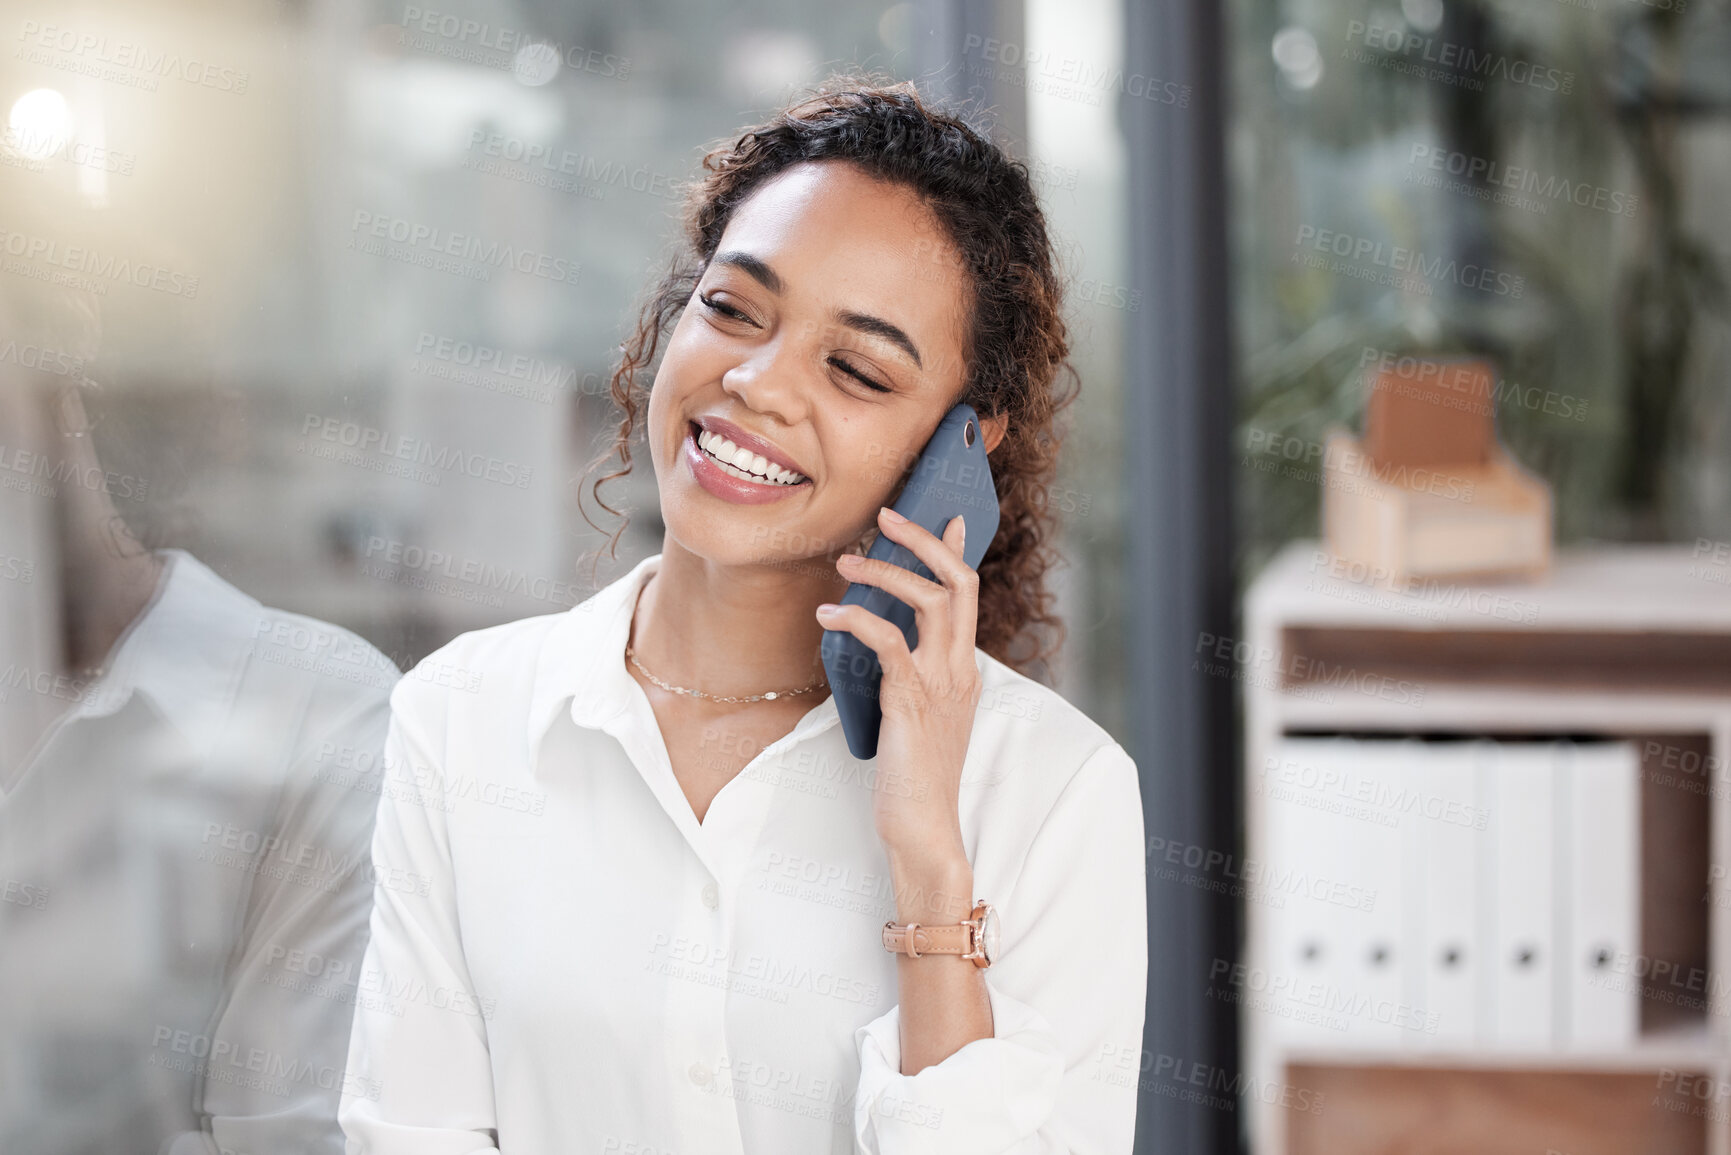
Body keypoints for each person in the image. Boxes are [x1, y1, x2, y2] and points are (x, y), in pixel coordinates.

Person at [339, 76, 1148, 1154]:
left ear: (965, 446)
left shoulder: (1051, 790)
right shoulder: (460, 720)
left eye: (856, 369)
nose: (759, 384)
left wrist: (928, 873)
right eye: (732, 310)